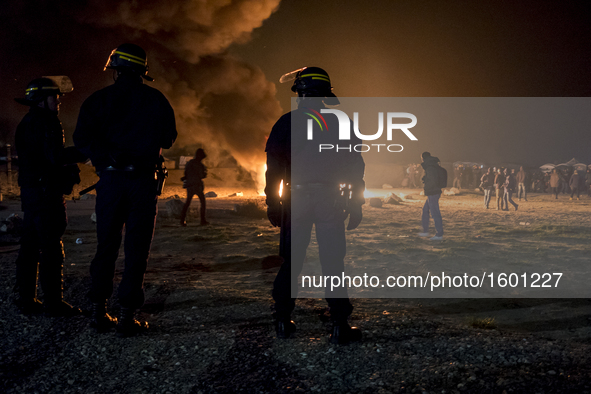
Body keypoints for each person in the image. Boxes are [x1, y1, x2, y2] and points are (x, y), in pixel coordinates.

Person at [74, 43, 177, 336]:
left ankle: (97, 311)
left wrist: (106, 154)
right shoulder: (156, 100)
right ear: (143, 71)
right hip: (142, 184)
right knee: (136, 250)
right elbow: (168, 139)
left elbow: (82, 139)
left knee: (106, 246)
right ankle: (127, 317)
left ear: (116, 70)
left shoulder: (98, 100)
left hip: (110, 182)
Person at [266, 66, 364, 344]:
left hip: (294, 200)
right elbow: (355, 167)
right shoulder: (341, 122)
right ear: (325, 95)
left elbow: (273, 170)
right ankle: (338, 325)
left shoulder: (285, 123)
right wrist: (356, 203)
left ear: (299, 93)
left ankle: (283, 320)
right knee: (333, 261)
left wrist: (272, 203)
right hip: (330, 201)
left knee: (292, 260)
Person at [13, 77, 85, 317]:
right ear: (42, 100)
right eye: (55, 97)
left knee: (30, 246)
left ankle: (26, 299)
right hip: (47, 194)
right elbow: (55, 157)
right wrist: (82, 154)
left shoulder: (26, 122)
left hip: (31, 192)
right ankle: (53, 303)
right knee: (51, 247)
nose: (59, 101)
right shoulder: (48, 122)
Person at [418, 152, 444, 241]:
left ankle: (439, 234)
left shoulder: (430, 167)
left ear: (423, 158)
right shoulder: (432, 165)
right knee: (425, 210)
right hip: (433, 192)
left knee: (435, 213)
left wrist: (426, 183)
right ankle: (425, 231)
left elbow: (433, 180)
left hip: (433, 192)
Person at [180, 148, 208, 226]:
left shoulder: (190, 163)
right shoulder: (199, 165)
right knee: (202, 202)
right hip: (196, 185)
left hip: (190, 185)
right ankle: (202, 220)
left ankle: (182, 220)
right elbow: (202, 175)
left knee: (187, 203)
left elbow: (186, 174)